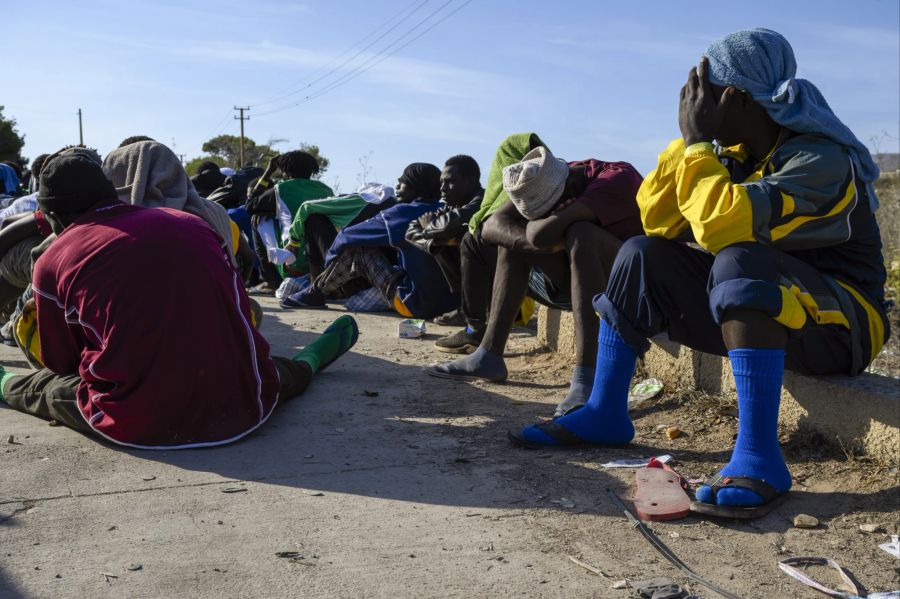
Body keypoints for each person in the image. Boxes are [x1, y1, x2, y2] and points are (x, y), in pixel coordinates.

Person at [511, 29, 889, 519]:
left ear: (733, 97)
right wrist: (692, 146)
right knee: (642, 253)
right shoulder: (730, 159)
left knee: (738, 257)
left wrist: (695, 144)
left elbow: (720, 226)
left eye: (701, 90)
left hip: (843, 327)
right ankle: (605, 410)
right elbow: (658, 220)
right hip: (777, 314)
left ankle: (759, 459)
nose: (691, 100)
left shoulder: (818, 158)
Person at [0, 151, 359, 448]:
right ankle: (314, 356)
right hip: (244, 403)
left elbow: (61, 364)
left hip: (140, 421)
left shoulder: (51, 260)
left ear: (51, 216)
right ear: (111, 195)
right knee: (263, 372)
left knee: (45, 389)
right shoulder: (191, 223)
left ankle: (2, 380)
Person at [427, 145, 644, 417]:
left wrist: (545, 231)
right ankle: (490, 355)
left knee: (580, 233)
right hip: (572, 280)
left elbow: (543, 233)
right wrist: (541, 239)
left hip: (627, 285)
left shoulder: (613, 179)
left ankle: (586, 378)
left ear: (569, 188)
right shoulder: (543, 178)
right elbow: (492, 226)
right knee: (511, 242)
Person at [282, 163, 458, 319]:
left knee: (359, 251)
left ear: (416, 187)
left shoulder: (401, 214)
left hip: (415, 304)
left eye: (402, 182)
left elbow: (347, 237)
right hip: (451, 305)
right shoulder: (448, 211)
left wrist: (331, 261)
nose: (397, 186)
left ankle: (316, 292)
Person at [405, 155, 485, 326]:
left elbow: (448, 224)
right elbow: (411, 229)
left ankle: (475, 311)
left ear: (470, 182)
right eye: (441, 182)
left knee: (455, 241)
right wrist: (432, 243)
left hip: (498, 280)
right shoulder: (451, 205)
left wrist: (430, 228)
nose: (443, 188)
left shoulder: (481, 201)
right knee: (441, 244)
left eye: (450, 182)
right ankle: (465, 308)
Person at [245, 151, 334, 292]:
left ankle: (270, 281)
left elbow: (250, 206)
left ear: (286, 172)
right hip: (324, 264)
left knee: (257, 219)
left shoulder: (281, 189)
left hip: (293, 264)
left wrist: (268, 172)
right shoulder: (326, 190)